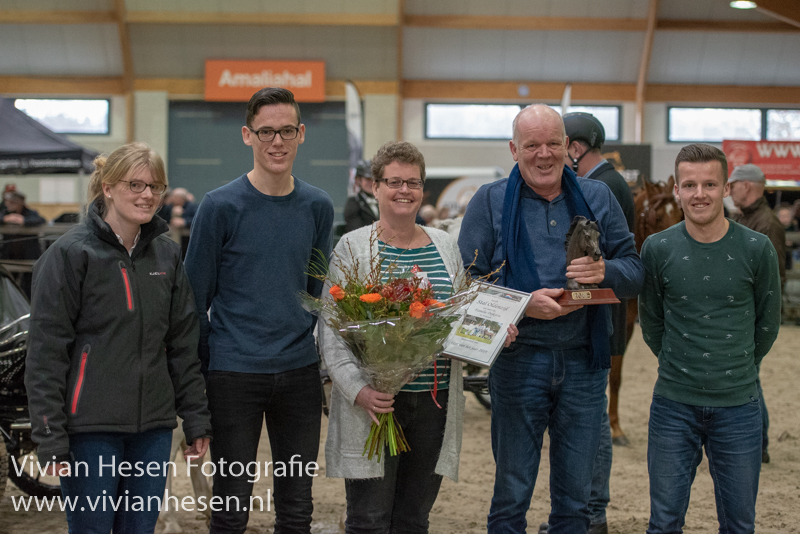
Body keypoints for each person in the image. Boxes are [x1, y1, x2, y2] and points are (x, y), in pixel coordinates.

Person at [458, 104, 643, 534]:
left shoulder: (598, 198)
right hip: (518, 362)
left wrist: (605, 271)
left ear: (568, 148)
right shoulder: (489, 201)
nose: (544, 154)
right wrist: (523, 304)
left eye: (553, 143)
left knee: (576, 501)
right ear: (513, 149)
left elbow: (634, 272)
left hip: (584, 363)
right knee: (511, 493)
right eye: (532, 145)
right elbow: (465, 286)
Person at [322, 141, 518, 534]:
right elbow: (331, 329)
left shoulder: (445, 245)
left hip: (435, 403)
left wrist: (493, 332)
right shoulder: (354, 246)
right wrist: (358, 390)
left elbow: (459, 312)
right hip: (375, 405)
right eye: (394, 181)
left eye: (413, 182)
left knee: (414, 519)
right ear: (375, 187)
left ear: (422, 189)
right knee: (369, 520)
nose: (404, 191)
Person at [24, 142, 212, 533]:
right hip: (90, 429)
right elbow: (46, 353)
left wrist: (195, 419)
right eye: (136, 185)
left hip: (154, 430)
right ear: (107, 187)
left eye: (155, 187)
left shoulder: (167, 255)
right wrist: (50, 437)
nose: (147, 195)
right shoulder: (69, 254)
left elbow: (182, 345)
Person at [184, 87, 334, 534]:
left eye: (287, 130)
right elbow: (195, 299)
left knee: (296, 505)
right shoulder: (218, 207)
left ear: (301, 134)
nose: (277, 142)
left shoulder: (318, 206)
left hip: (298, 373)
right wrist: (212, 366)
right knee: (231, 506)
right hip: (234, 375)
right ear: (247, 135)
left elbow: (313, 290)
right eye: (266, 131)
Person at [639, 144, 781, 534]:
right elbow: (651, 322)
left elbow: (768, 323)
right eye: (689, 184)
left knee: (738, 524)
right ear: (678, 189)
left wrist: (736, 365)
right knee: (664, 522)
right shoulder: (657, 249)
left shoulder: (757, 248)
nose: (699, 193)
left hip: (738, 407)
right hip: (673, 406)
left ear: (725, 188)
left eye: (709, 184)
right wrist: (680, 365)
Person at [537, 112, 637, 534]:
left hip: (596, 311)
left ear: (573, 147)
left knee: (591, 424)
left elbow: (615, 258)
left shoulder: (603, 186)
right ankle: (590, 513)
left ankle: (593, 513)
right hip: (594, 306)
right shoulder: (609, 180)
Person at [727, 162, 785, 464]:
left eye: (732, 184)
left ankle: (759, 443)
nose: (729, 190)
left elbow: (772, 282)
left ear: (746, 186)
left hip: (749, 319)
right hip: (740, 317)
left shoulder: (766, 224)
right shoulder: (745, 218)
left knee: (751, 381)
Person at [0, 189, 47, 297]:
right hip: (10, 257)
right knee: (8, 284)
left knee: (28, 286)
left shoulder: (31, 213)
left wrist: (23, 220)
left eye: (12, 202)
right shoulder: (5, 213)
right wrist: (6, 219)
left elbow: (41, 220)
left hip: (27, 256)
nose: (8, 205)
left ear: (18, 203)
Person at [344, 160, 379, 233]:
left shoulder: (382, 202)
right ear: (358, 180)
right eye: (368, 179)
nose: (372, 183)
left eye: (374, 179)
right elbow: (357, 232)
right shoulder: (353, 204)